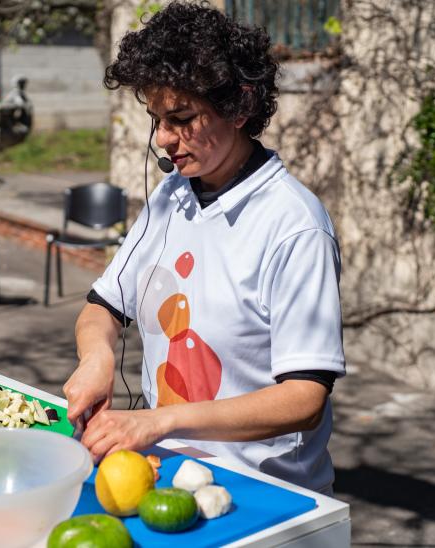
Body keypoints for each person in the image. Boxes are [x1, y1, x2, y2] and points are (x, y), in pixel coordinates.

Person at [63, 2, 345, 495]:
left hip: (262, 490)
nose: (165, 140)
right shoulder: (171, 195)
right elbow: (102, 307)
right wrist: (97, 359)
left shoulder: (294, 225)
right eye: (157, 120)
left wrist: (157, 423)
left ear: (239, 106)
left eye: (181, 117)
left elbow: (304, 398)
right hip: (165, 472)